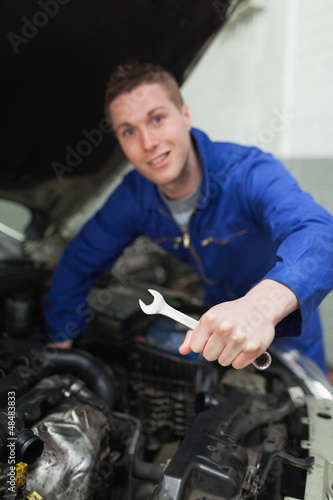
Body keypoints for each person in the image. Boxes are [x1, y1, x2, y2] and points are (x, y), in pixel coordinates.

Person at [44, 61, 333, 373]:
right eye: (129, 131)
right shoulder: (133, 197)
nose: (148, 143)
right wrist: (61, 339)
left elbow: (319, 235)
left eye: (156, 118)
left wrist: (259, 309)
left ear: (185, 115)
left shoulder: (245, 172)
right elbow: (78, 261)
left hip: (286, 324)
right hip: (215, 325)